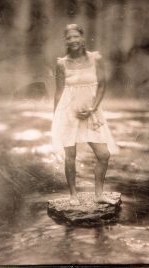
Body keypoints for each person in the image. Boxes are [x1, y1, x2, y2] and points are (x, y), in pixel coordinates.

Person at [52, 24, 116, 206]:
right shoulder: (61, 63)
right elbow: (58, 92)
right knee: (70, 155)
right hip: (68, 113)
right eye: (68, 38)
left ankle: (99, 194)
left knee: (104, 154)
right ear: (65, 40)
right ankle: (73, 195)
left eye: (76, 36)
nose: (73, 40)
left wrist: (93, 108)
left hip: (91, 112)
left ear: (83, 38)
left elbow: (102, 84)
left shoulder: (96, 58)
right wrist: (55, 119)